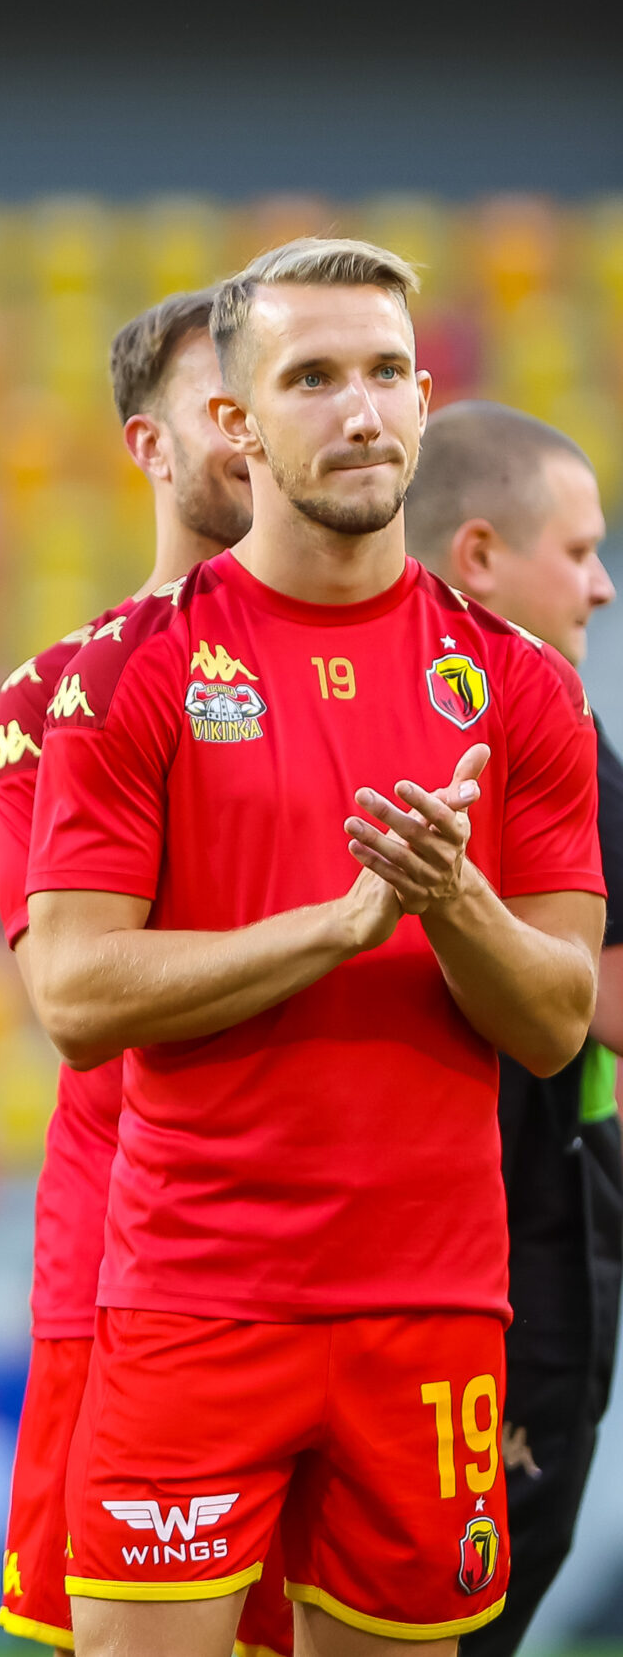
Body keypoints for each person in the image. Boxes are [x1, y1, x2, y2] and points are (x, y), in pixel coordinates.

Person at [28, 238, 606, 1656]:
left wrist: (450, 898)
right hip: (194, 1299)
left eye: (387, 373)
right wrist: (340, 926)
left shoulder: (521, 688)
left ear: (422, 399)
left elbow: (554, 1020)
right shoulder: (128, 667)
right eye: (313, 377)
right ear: (235, 420)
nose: (360, 410)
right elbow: (75, 993)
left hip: (433, 1307)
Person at [0, 291, 293, 1657]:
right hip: (128, 1270)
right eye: (221, 401)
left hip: (361, 1263)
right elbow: (83, 1002)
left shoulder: (414, 669)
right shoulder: (58, 695)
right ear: (148, 445)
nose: (256, 424)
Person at [402, 400, 622, 1657]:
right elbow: (600, 1003)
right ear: (478, 554)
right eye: (578, 552)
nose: (600, 585)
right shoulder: (548, 722)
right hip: (508, 1259)